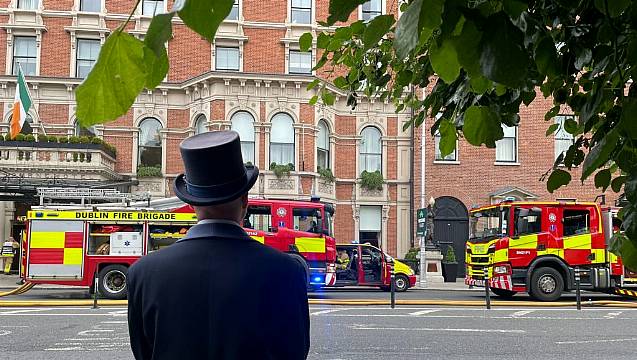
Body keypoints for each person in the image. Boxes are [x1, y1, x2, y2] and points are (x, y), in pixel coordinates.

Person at [126, 131, 310, 360]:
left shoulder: (142, 273)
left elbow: (143, 352)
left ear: (192, 203)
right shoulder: (287, 271)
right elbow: (295, 351)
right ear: (245, 201)